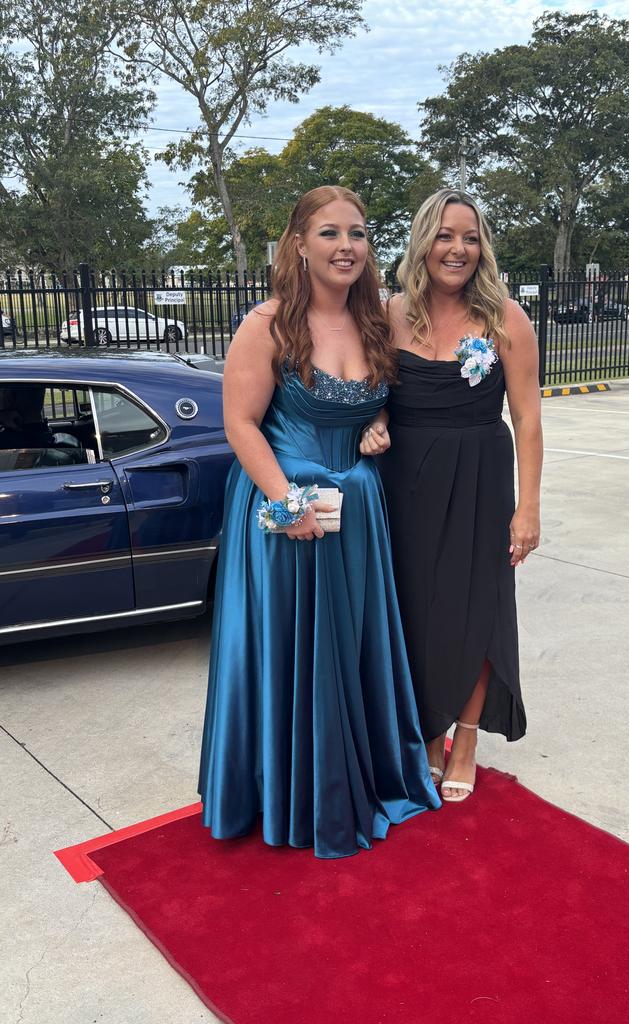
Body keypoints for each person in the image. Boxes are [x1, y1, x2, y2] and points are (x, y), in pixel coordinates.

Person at [198, 186, 440, 859]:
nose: (346, 247)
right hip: (283, 510)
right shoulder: (266, 324)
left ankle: (347, 781)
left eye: (358, 234)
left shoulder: (375, 324)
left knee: (349, 647)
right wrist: (286, 502)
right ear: (299, 244)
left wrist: (379, 423)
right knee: (287, 649)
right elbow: (240, 424)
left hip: (356, 510)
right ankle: (285, 796)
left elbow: (378, 400)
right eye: (330, 234)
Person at [367, 188, 543, 803]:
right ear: (423, 242)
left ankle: (465, 738)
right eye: (445, 235)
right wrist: (376, 420)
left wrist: (528, 507)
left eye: (469, 237)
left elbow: (527, 419)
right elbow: (370, 394)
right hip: (406, 480)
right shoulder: (389, 314)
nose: (458, 248)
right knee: (414, 609)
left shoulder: (506, 318)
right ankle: (424, 733)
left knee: (478, 609)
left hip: (479, 477)